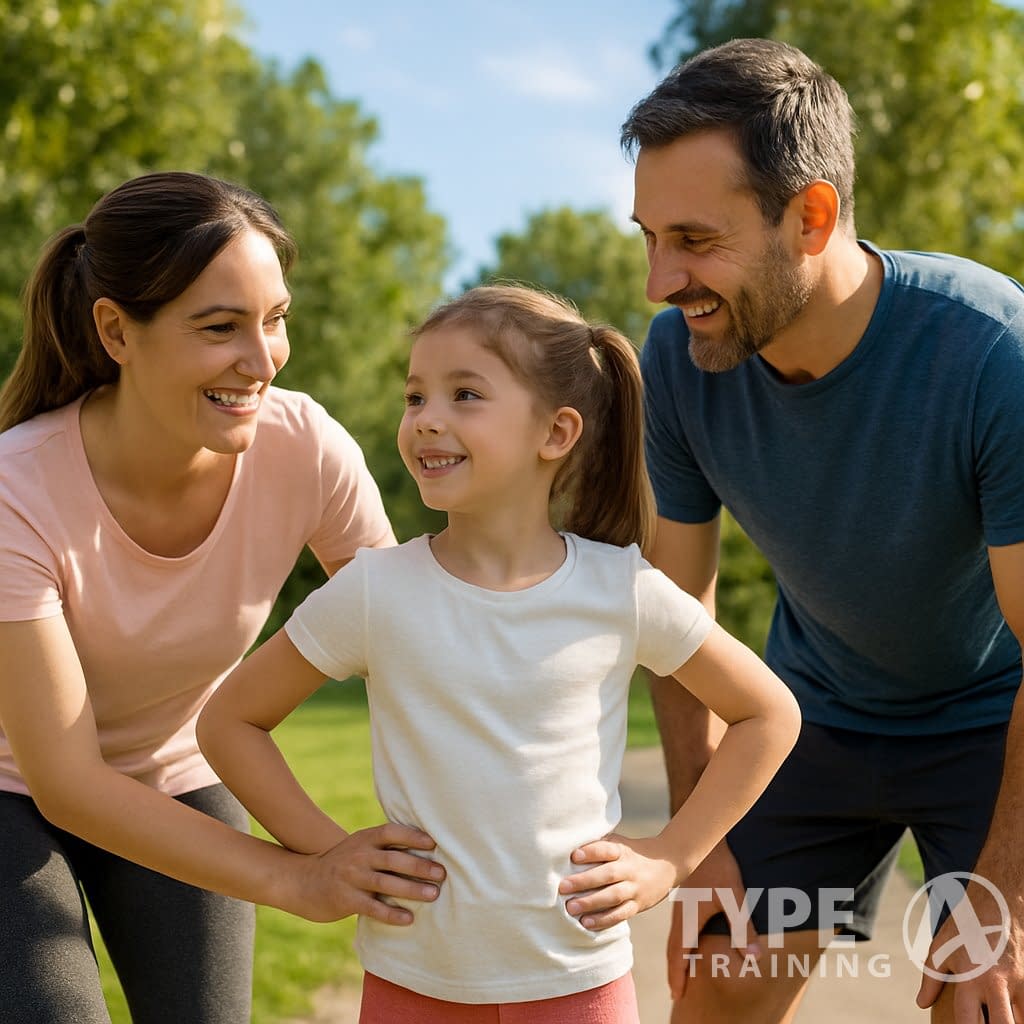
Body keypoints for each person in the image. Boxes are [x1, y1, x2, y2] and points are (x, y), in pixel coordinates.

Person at [197, 283, 801, 1023]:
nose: (426, 421)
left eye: (464, 395)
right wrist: (327, 854)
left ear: (556, 433)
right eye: (415, 397)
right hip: (410, 979)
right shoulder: (375, 590)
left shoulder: (619, 588)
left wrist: (672, 855)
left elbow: (769, 714)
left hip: (579, 980)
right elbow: (228, 721)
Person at [619, 36, 1024, 1024]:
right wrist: (696, 837)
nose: (659, 281)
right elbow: (676, 613)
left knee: (985, 1002)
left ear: (810, 216)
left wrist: (1004, 897)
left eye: (693, 239)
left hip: (989, 723)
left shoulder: (990, 353)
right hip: (811, 717)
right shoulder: (677, 361)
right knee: (713, 990)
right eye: (647, 237)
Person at [0, 171, 445, 1024]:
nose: (262, 359)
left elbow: (410, 640)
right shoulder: (17, 491)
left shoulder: (304, 446)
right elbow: (65, 781)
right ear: (115, 333)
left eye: (275, 320)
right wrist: (298, 876)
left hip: (173, 772)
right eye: (220, 328)